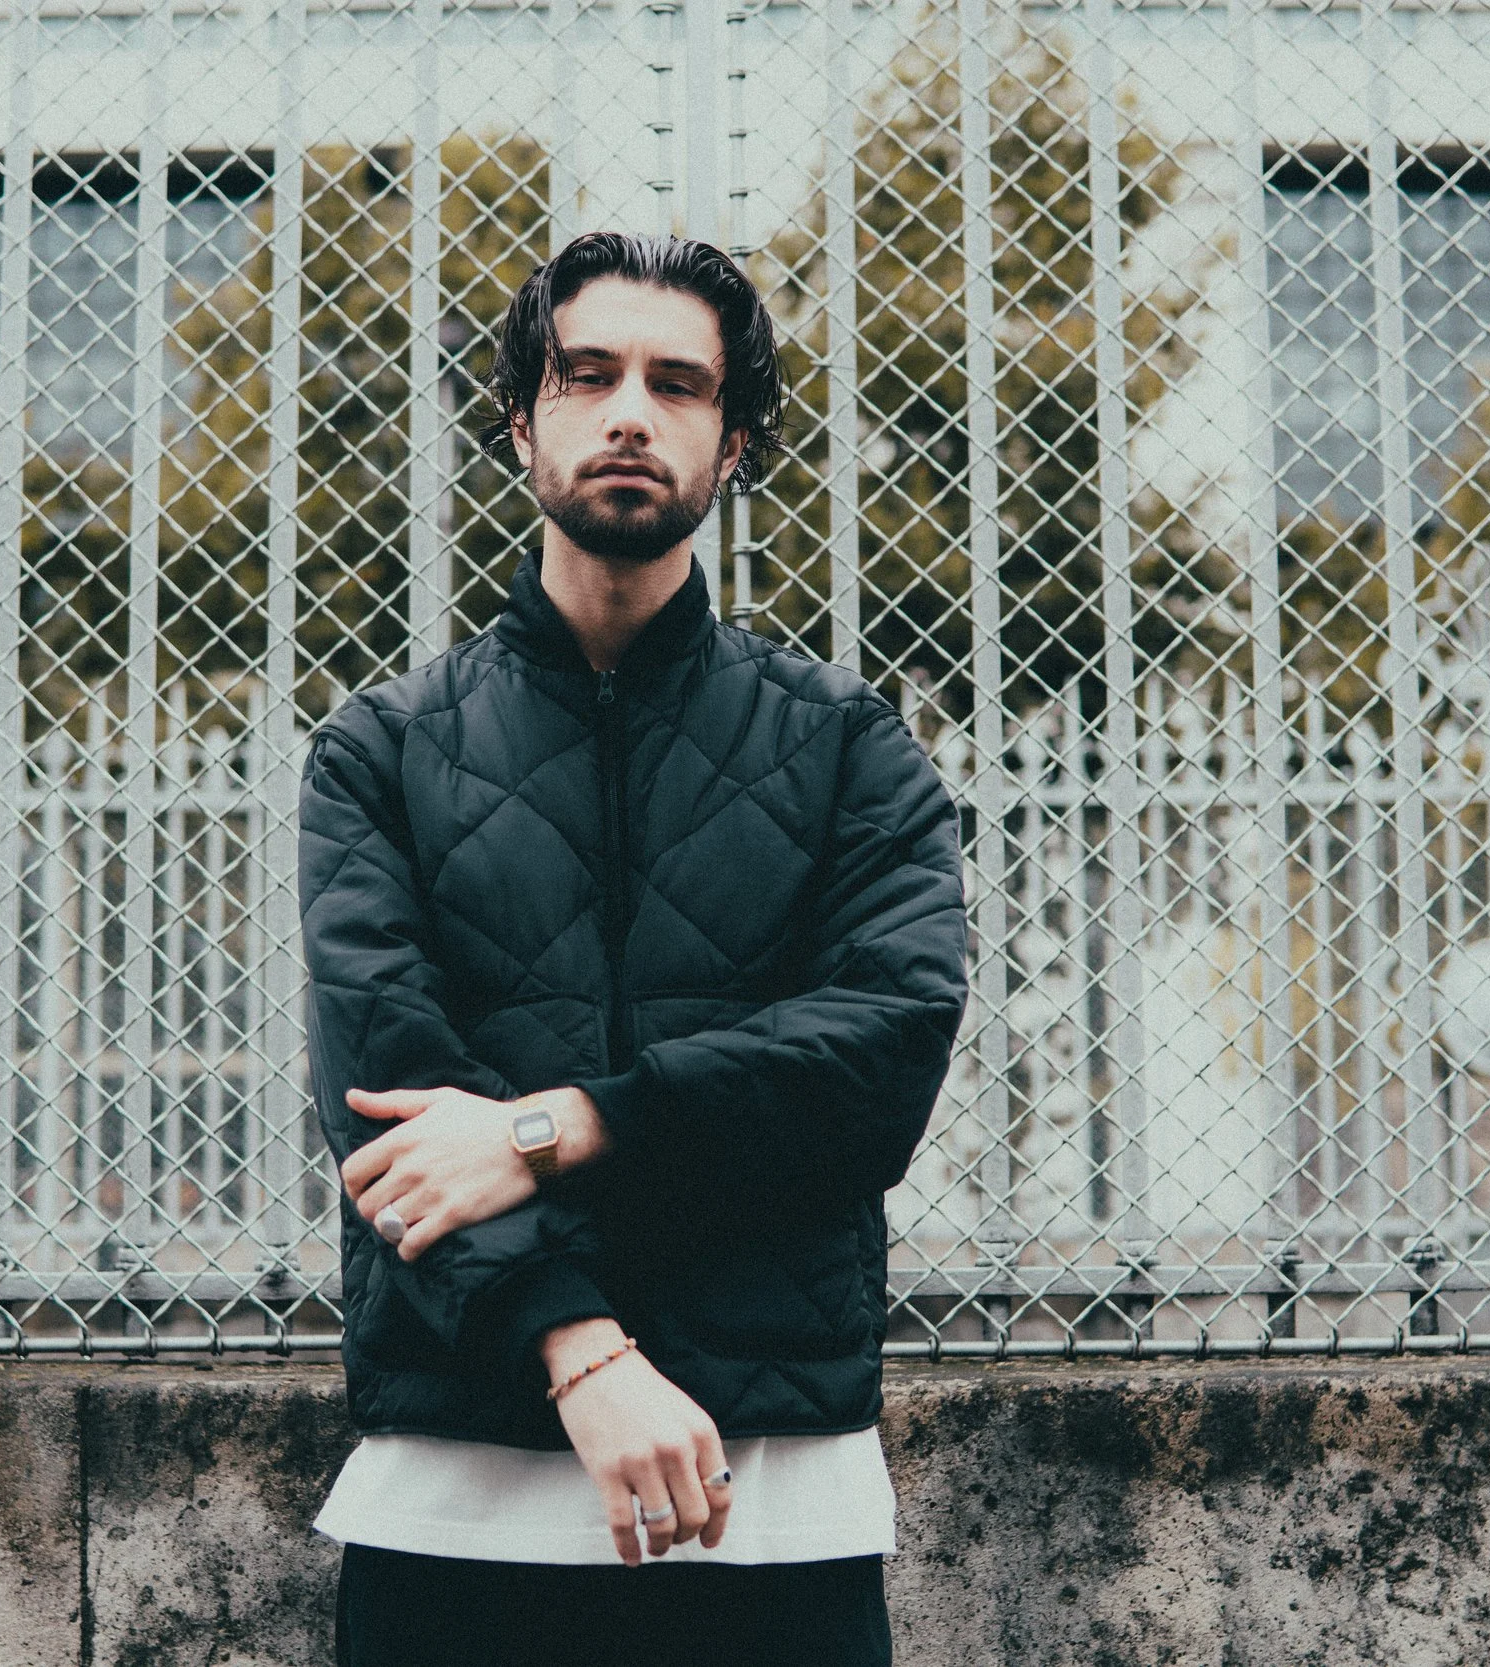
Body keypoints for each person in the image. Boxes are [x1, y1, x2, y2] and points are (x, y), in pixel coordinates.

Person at [297, 230, 968, 1667]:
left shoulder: (850, 747)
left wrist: (555, 1125)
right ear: (519, 420)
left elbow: (878, 1058)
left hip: (771, 1498)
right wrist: (581, 1350)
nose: (628, 412)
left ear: (734, 446)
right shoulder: (381, 753)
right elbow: (395, 1103)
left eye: (678, 383)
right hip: (455, 1503)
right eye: (587, 373)